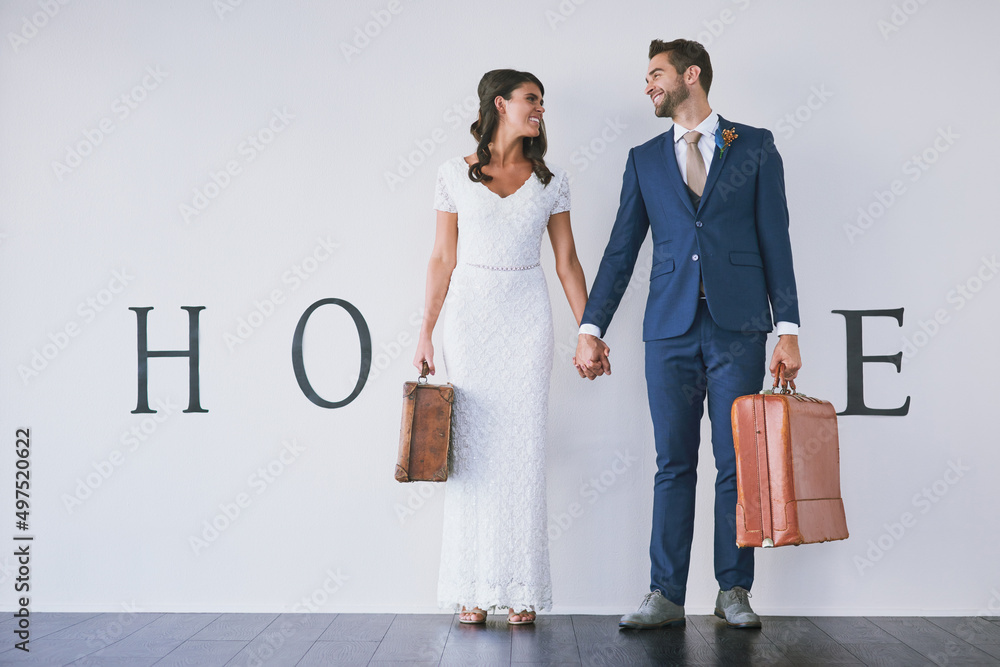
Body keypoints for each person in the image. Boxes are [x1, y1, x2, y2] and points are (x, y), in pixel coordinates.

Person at [574, 39, 803, 630]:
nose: (648, 85)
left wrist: (789, 328)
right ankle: (665, 595)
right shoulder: (644, 158)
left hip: (739, 330)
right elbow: (622, 250)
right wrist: (591, 326)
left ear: (690, 75)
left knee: (735, 463)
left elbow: (775, 238)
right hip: (668, 331)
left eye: (656, 74)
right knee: (673, 462)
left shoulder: (751, 145)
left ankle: (734, 592)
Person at [414, 69, 589, 625]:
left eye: (542, 102)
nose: (540, 109)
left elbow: (566, 261)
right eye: (531, 100)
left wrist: (590, 330)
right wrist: (425, 330)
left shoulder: (552, 179)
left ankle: (520, 590)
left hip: (526, 316)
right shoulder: (452, 174)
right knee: (470, 454)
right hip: (469, 319)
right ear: (501, 104)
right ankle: (471, 587)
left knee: (522, 451)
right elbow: (442, 257)